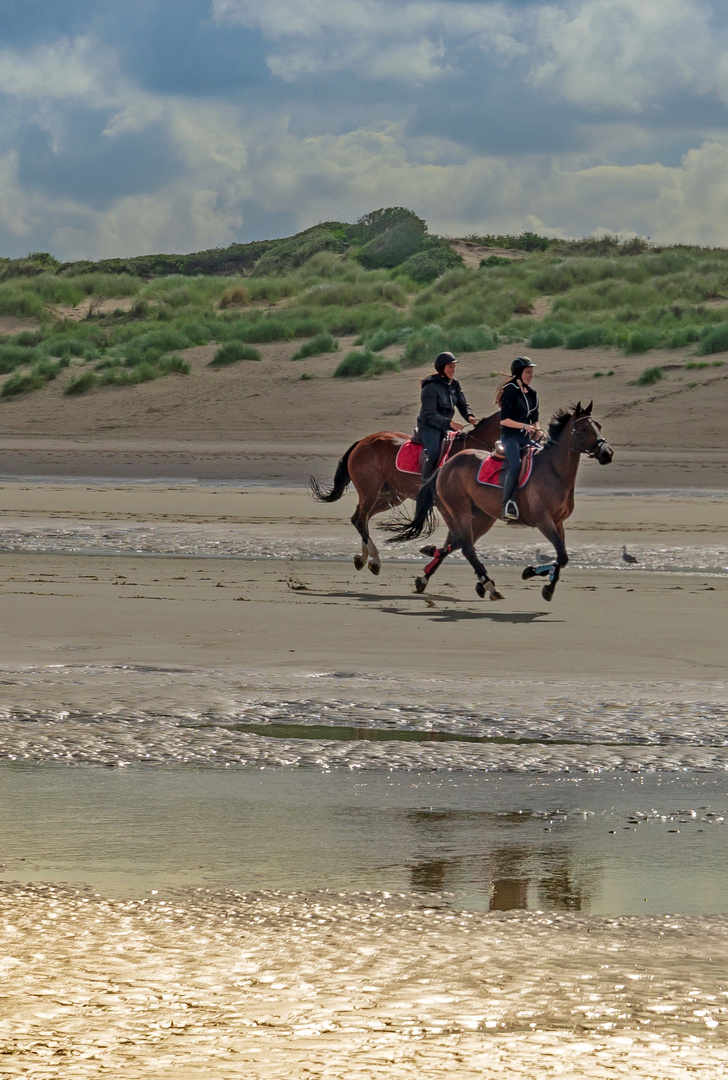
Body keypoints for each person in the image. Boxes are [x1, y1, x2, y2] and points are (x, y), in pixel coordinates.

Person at [415, 352, 477, 482]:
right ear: (441, 367)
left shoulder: (454, 384)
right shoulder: (430, 387)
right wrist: (450, 423)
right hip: (429, 427)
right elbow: (429, 414)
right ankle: (424, 485)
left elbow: (463, 404)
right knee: (433, 453)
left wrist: (470, 417)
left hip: (446, 426)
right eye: (450, 367)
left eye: (454, 367)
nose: (453, 370)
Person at [496, 356, 542, 520]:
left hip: (525, 438)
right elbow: (504, 420)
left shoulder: (533, 394)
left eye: (532, 373)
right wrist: (524, 426)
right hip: (510, 437)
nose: (531, 376)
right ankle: (506, 504)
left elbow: (534, 418)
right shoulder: (510, 390)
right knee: (515, 466)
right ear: (519, 373)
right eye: (528, 372)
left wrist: (537, 430)